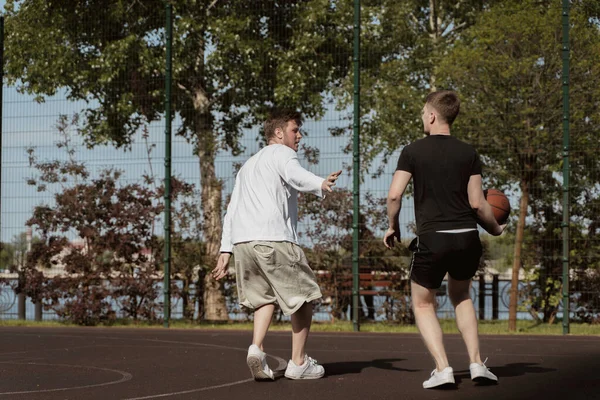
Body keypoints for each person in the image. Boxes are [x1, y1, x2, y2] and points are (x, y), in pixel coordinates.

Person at [383, 90, 505, 389]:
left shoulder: (412, 151)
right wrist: (496, 229)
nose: (422, 118)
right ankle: (477, 364)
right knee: (461, 296)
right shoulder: (469, 153)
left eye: (423, 113)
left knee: (423, 305)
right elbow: (477, 203)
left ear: (432, 115)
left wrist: (392, 226)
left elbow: (394, 194)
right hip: (467, 237)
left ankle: (443, 369)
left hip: (433, 238)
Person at [212, 109, 342, 381]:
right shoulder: (282, 154)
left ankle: (256, 349)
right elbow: (294, 173)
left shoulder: (248, 165)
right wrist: (320, 182)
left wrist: (226, 250)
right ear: (279, 133)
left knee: (264, 298)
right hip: (273, 239)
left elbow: (232, 209)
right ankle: (299, 362)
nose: (300, 136)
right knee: (304, 298)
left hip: (244, 244)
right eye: (296, 130)